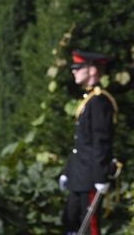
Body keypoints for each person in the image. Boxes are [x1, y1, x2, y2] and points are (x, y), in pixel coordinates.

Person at [59, 50, 117, 235]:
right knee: (70, 222)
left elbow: (100, 143)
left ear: (92, 71)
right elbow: (80, 144)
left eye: (78, 68)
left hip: (91, 178)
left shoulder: (100, 102)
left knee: (90, 228)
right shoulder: (90, 100)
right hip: (79, 176)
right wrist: (68, 171)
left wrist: (100, 178)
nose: (74, 72)